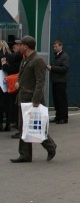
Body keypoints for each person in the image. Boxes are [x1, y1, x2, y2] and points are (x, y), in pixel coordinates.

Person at [10, 35, 57, 163]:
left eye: (20, 45)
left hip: (31, 99)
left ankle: (51, 146)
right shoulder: (25, 60)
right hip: (23, 97)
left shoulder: (37, 61)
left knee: (36, 127)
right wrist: (18, 83)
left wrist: (36, 100)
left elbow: (40, 82)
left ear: (25, 46)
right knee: (23, 127)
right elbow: (22, 76)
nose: (18, 47)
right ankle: (25, 155)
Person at [2, 39, 22, 136]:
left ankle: (14, 124)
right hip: (9, 84)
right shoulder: (12, 56)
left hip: (10, 83)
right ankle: (10, 123)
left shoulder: (15, 57)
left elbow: (13, 69)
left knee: (6, 104)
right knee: (9, 104)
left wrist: (4, 64)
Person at [47, 40, 69, 124]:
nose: (54, 48)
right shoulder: (55, 56)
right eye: (53, 46)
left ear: (61, 46)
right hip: (55, 81)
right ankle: (58, 116)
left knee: (62, 100)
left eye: (56, 46)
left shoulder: (64, 56)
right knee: (56, 100)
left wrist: (52, 68)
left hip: (61, 81)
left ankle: (64, 117)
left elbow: (65, 68)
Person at [0, 40, 11, 131]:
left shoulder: (1, 56)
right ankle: (8, 124)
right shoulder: (10, 55)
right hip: (8, 82)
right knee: (7, 104)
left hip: (1, 82)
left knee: (1, 104)